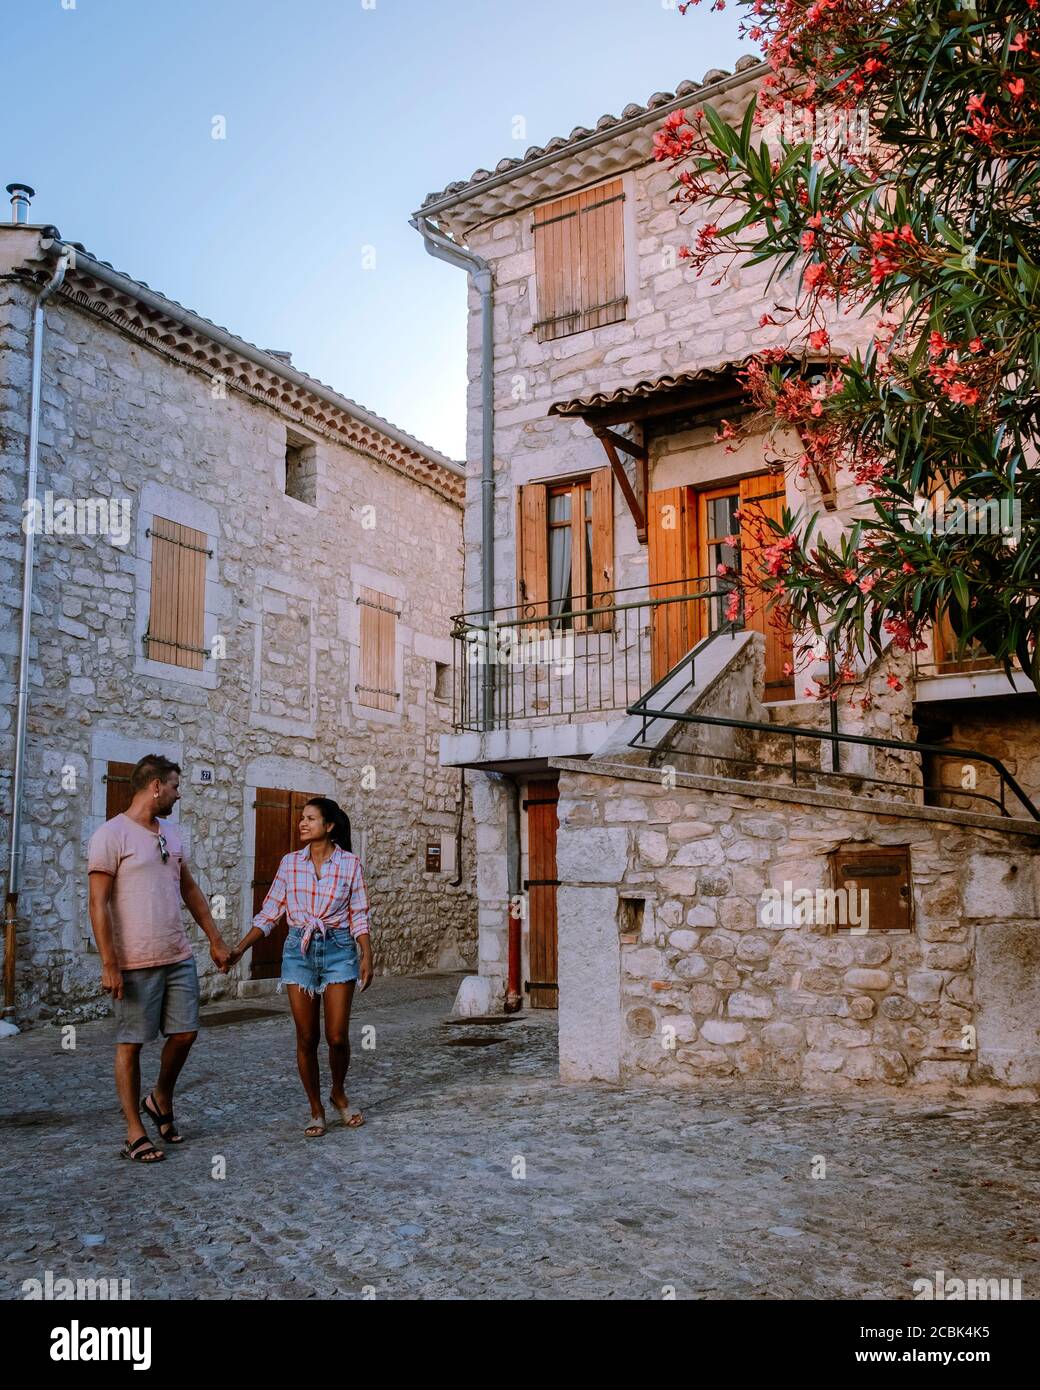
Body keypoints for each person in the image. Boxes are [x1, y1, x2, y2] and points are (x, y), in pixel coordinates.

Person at [87, 754, 231, 1164]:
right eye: (174, 785)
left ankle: (160, 1096)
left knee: (185, 1033)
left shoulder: (172, 833)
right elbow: (97, 905)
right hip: (134, 960)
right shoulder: (110, 835)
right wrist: (109, 963)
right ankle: (134, 1132)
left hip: (177, 954)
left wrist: (215, 940)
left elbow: (189, 889)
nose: (178, 793)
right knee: (131, 1044)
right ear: (155, 786)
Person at [229, 797, 372, 1137]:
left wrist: (367, 954)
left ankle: (338, 1091)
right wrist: (239, 948)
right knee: (307, 1036)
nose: (302, 824)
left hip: (338, 950)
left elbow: (359, 914)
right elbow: (270, 913)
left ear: (329, 826)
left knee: (337, 1036)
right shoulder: (289, 864)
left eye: (310, 818)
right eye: (301, 818)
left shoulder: (350, 864)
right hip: (299, 951)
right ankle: (316, 1108)